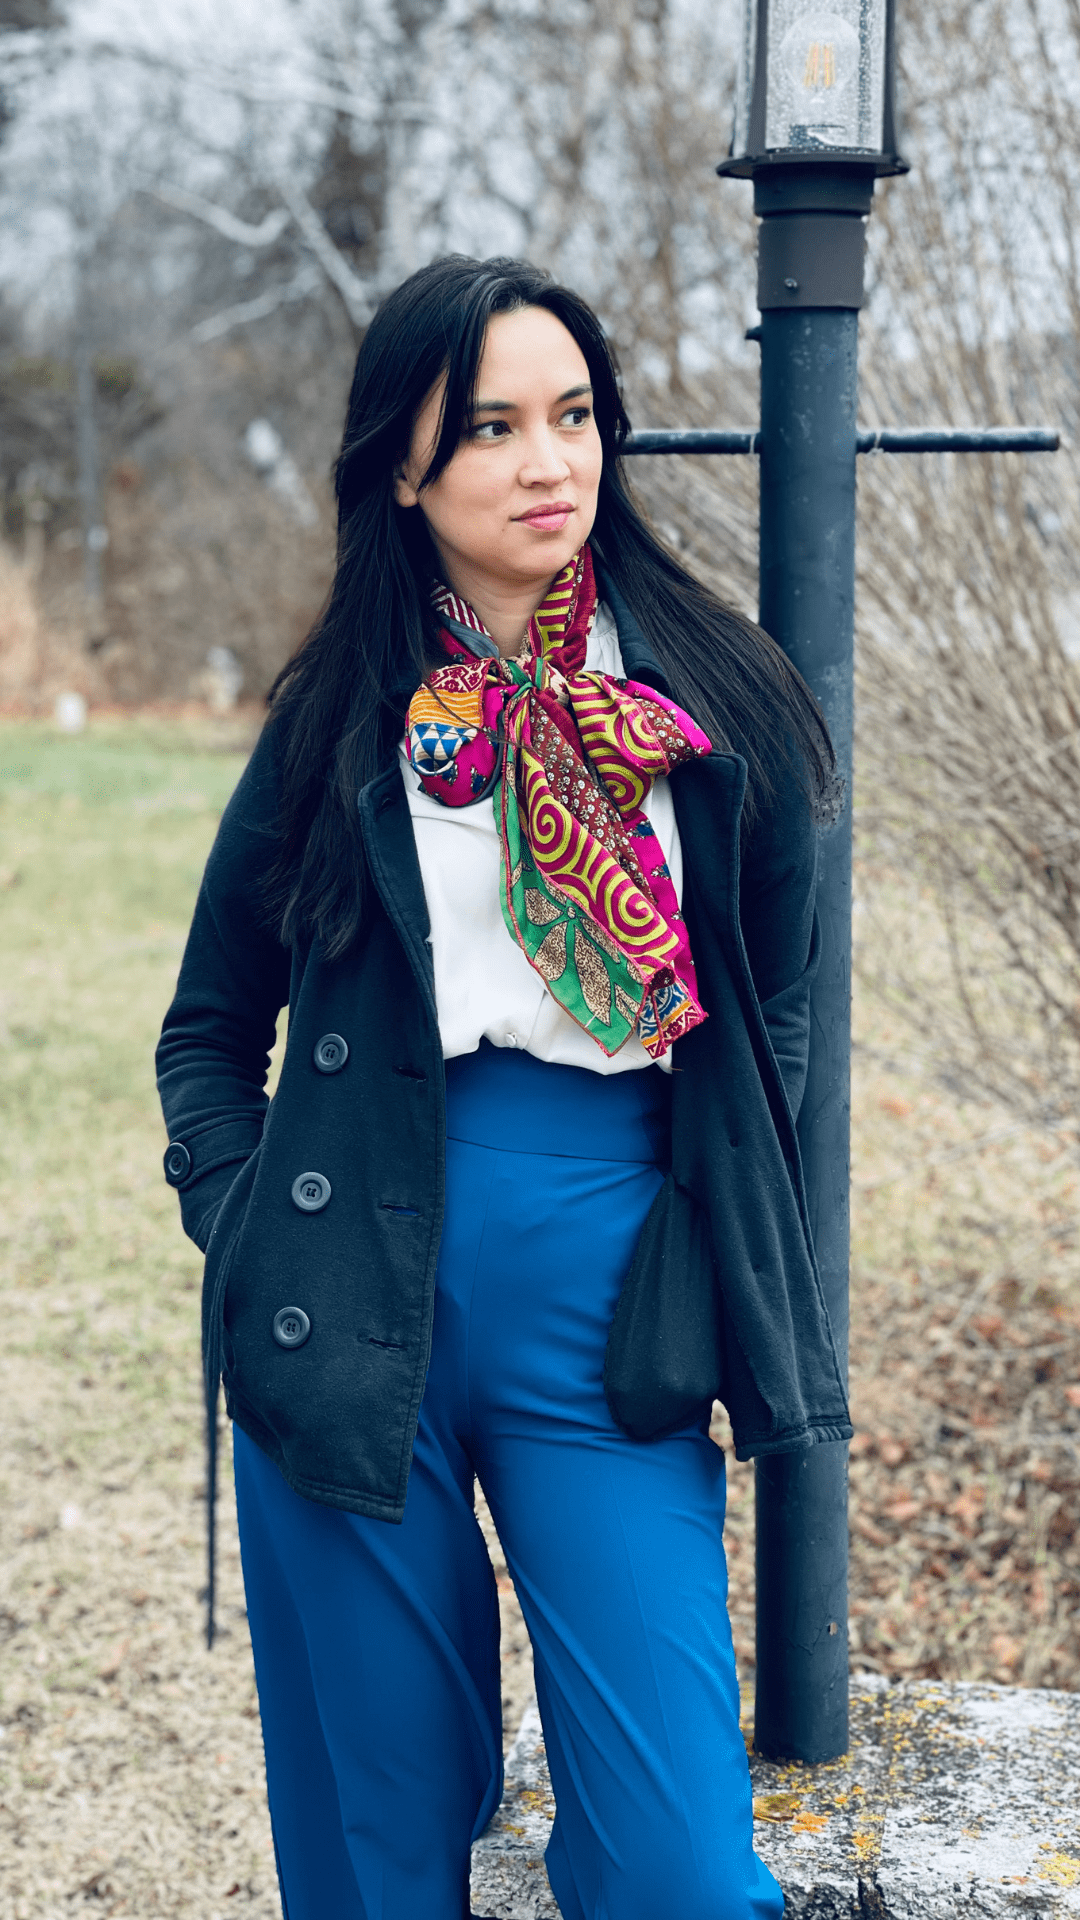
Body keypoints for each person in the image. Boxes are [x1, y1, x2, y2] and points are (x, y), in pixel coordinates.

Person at [156, 254, 851, 1920]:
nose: (550, 463)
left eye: (575, 416)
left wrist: (696, 1239)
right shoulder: (337, 724)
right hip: (346, 1292)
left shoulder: (719, 703)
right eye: (488, 426)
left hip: (610, 1301)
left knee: (680, 1865)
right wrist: (246, 1230)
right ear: (401, 467)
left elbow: (781, 1028)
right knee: (382, 1846)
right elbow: (207, 1025)